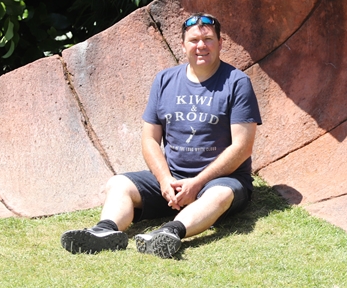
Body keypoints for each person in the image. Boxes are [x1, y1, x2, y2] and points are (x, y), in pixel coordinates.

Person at [61, 13, 262, 258]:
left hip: (220, 181)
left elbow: (242, 146)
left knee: (219, 195)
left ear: (220, 43)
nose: (201, 46)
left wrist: (197, 182)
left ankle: (168, 233)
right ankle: (104, 231)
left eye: (208, 39)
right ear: (183, 45)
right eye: (194, 40)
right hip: (173, 180)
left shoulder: (237, 82)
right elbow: (149, 140)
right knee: (118, 184)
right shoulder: (165, 80)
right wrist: (165, 180)